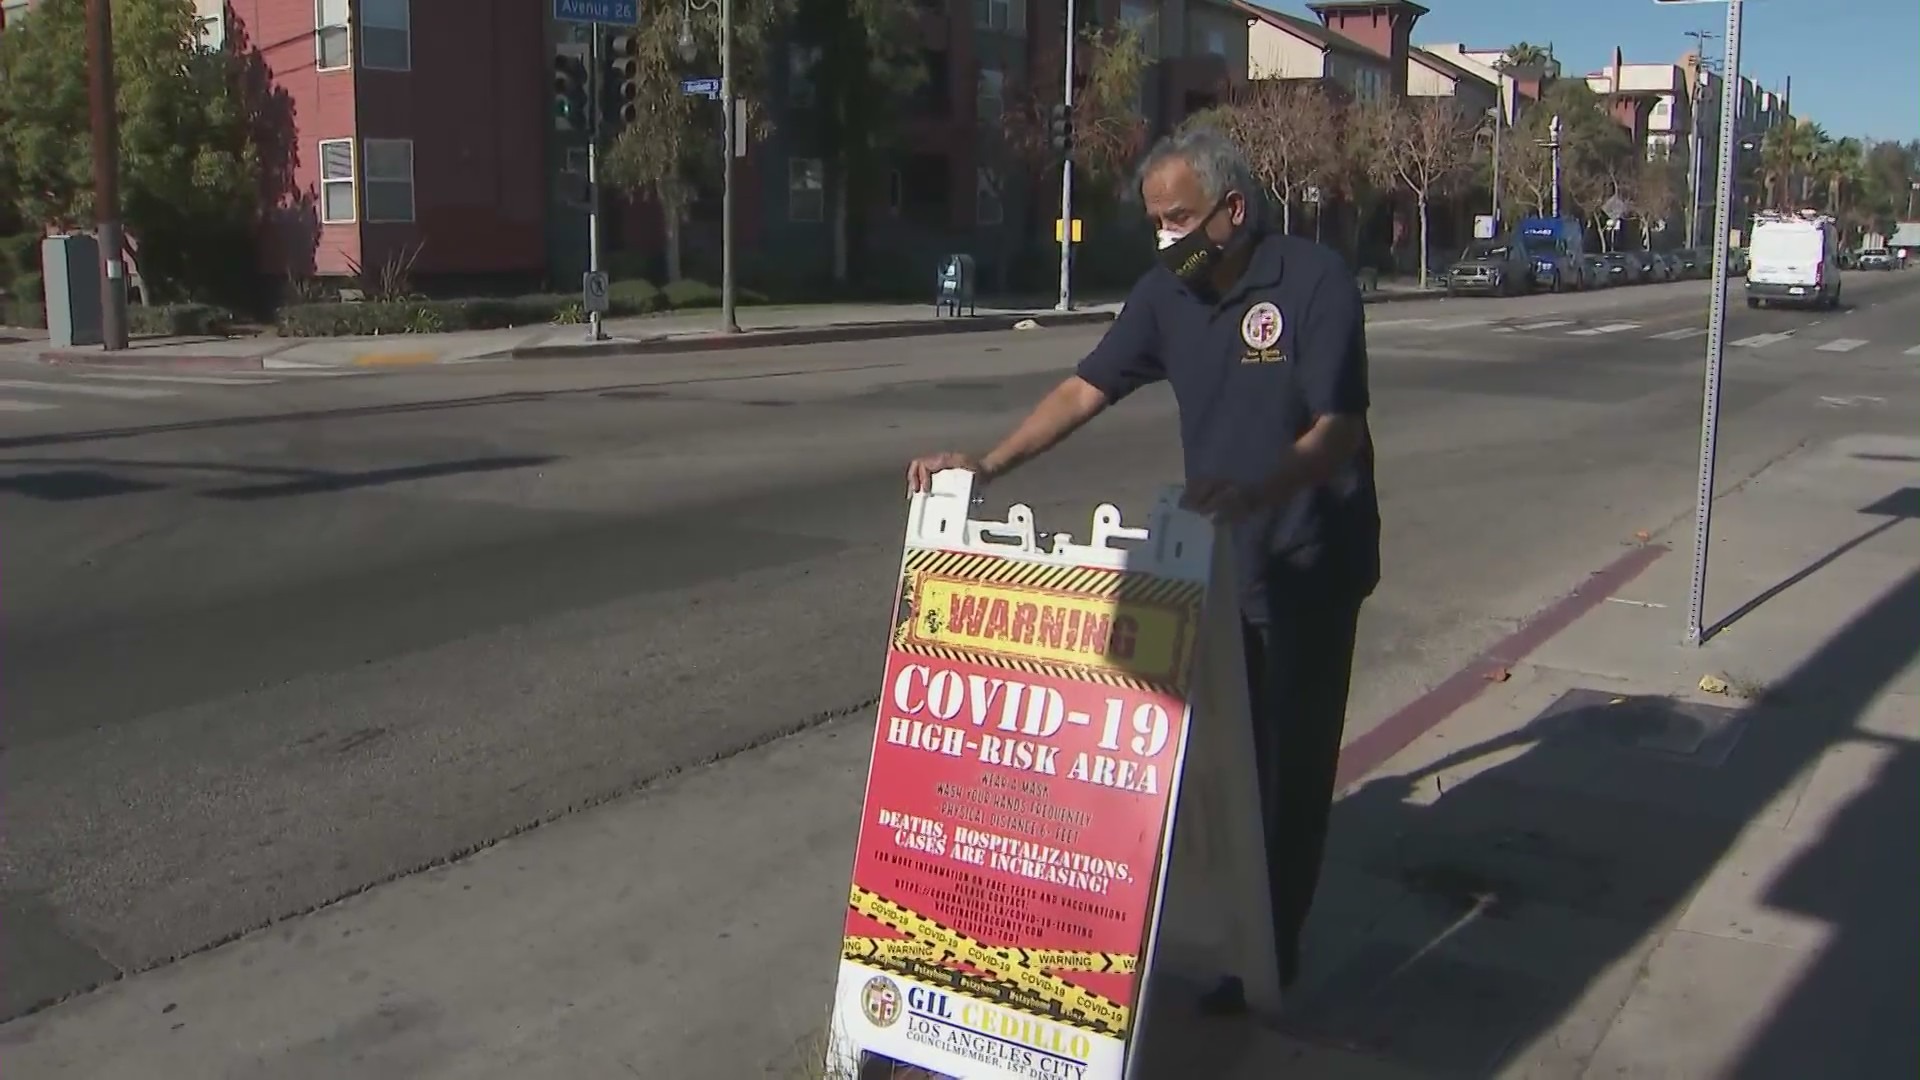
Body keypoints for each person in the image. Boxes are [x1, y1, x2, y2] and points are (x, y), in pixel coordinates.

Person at [906, 127, 1380, 1010]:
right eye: (1157, 222)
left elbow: (1338, 427)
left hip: (1308, 561)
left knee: (1287, 771)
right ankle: (1199, 919)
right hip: (1212, 565)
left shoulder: (1315, 283)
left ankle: (1267, 959)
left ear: (1234, 212)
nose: (1166, 238)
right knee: (1202, 763)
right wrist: (989, 463)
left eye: (1180, 219)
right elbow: (1088, 386)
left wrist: (1257, 490)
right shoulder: (1170, 292)